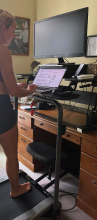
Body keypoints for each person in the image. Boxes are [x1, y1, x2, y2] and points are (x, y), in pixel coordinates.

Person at [0, 9, 38, 197]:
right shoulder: (3, 51)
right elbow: (14, 92)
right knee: (11, 154)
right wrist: (29, 90)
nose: (14, 36)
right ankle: (15, 190)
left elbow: (6, 84)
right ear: (3, 29)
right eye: (13, 30)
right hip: (1, 109)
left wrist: (16, 85)